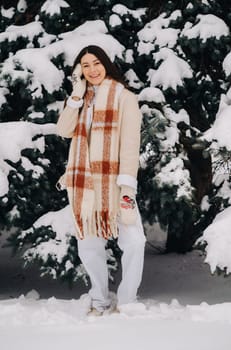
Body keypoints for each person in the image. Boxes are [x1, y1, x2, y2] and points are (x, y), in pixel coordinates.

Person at [56, 45, 146, 315]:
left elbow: (130, 144)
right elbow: (64, 130)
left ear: (106, 64)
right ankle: (99, 299)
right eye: (85, 65)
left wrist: (127, 188)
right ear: (79, 71)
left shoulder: (124, 98)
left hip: (116, 184)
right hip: (85, 186)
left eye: (96, 63)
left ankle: (127, 301)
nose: (92, 69)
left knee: (134, 241)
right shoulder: (80, 98)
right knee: (89, 246)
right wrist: (75, 95)